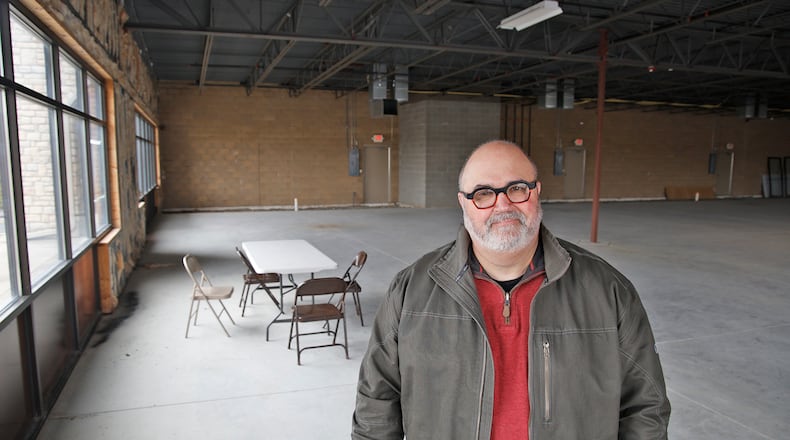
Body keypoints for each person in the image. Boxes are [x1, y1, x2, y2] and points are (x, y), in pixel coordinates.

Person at [351, 140, 670, 440]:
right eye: (484, 194)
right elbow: (376, 408)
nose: (503, 205)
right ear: (463, 203)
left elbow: (645, 408)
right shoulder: (409, 293)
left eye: (517, 188)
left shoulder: (609, 291)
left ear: (537, 192)